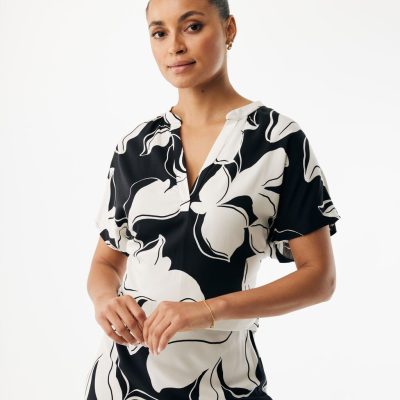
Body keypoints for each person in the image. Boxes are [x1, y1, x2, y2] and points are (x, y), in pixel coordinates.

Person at [84, 0, 341, 399]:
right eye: (160, 33)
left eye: (192, 27)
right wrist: (105, 300)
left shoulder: (277, 141)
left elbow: (319, 278)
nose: (174, 46)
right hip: (121, 382)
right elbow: (105, 261)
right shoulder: (135, 146)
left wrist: (207, 311)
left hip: (225, 383)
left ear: (229, 29)